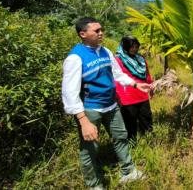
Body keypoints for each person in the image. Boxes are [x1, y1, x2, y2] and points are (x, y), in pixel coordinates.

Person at [61, 17, 151, 189]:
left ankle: (128, 171)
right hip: (90, 109)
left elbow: (117, 74)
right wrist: (83, 120)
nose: (101, 33)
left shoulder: (106, 52)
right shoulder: (75, 58)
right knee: (90, 149)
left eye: (101, 29)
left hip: (111, 106)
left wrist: (135, 84)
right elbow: (69, 92)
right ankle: (94, 185)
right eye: (96, 31)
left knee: (121, 137)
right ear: (83, 34)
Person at [115, 36, 153, 142]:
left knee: (146, 119)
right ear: (125, 47)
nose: (135, 49)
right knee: (130, 122)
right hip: (127, 96)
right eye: (132, 47)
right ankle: (132, 143)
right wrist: (116, 95)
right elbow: (116, 78)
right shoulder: (118, 60)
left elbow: (147, 74)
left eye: (136, 47)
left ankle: (149, 141)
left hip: (142, 94)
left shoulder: (140, 58)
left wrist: (150, 86)